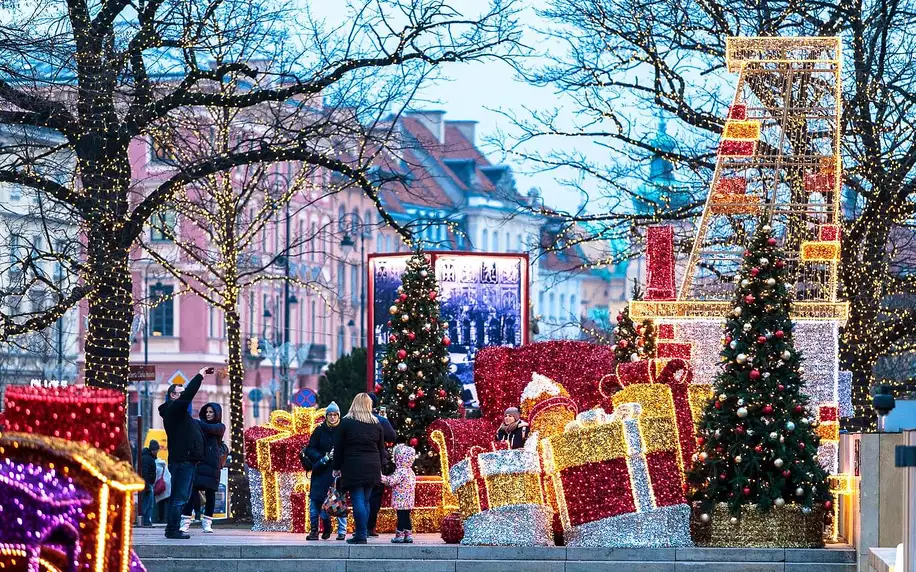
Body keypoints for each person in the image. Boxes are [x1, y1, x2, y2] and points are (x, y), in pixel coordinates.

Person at [159, 366, 212, 539]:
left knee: (182, 496)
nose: (185, 396)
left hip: (187, 461)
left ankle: (173, 528)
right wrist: (199, 375)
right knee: (179, 497)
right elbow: (189, 394)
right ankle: (173, 529)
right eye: (181, 393)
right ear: (173, 395)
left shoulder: (180, 414)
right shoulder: (174, 410)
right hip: (182, 462)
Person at [332, 393, 385, 545]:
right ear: (369, 405)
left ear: (354, 404)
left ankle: (360, 534)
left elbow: (339, 448)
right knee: (366, 501)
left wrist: (336, 467)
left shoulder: (346, 423)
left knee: (357, 500)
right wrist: (380, 467)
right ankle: (364, 532)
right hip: (372, 467)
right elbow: (381, 450)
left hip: (353, 466)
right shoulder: (376, 423)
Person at [304, 402, 347, 541]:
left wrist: (339, 458)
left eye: (335, 415)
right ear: (326, 416)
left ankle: (339, 530)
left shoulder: (343, 430)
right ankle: (314, 531)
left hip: (336, 473)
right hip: (320, 470)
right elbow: (310, 448)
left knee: (337, 502)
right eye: (330, 415)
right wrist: (322, 457)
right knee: (315, 502)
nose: (333, 417)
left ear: (339, 416)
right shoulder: (319, 430)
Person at [180, 402, 225, 534]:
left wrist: (191, 421)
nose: (208, 414)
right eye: (207, 412)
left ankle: (207, 523)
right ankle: (185, 522)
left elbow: (208, 428)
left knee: (210, 494)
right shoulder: (198, 426)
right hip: (199, 463)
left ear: (217, 413)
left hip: (212, 465)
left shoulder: (220, 427)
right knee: (192, 494)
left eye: (211, 412)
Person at [366, 392, 396, 537]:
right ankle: (369, 527)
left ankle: (360, 527)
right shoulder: (381, 420)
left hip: (356, 463)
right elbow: (392, 436)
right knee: (375, 495)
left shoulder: (351, 420)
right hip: (377, 461)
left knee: (360, 494)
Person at [381, 444, 417, 544]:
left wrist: (382, 478)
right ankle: (408, 535)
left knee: (401, 517)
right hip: (409, 500)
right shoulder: (410, 471)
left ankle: (399, 535)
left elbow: (391, 481)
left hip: (400, 500)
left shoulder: (400, 471)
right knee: (406, 517)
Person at [140, 441, 160, 527]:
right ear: (153, 450)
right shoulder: (148, 459)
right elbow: (145, 473)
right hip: (148, 484)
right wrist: (147, 485)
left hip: (148, 483)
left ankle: (147, 521)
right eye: (156, 450)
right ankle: (146, 521)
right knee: (148, 504)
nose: (157, 452)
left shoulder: (147, 458)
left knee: (149, 503)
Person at [154, 456, 172, 523]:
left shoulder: (156, 466)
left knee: (161, 503)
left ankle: (161, 519)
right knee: (168, 502)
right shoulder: (164, 464)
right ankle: (168, 518)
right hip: (166, 485)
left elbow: (156, 477)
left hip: (160, 486)